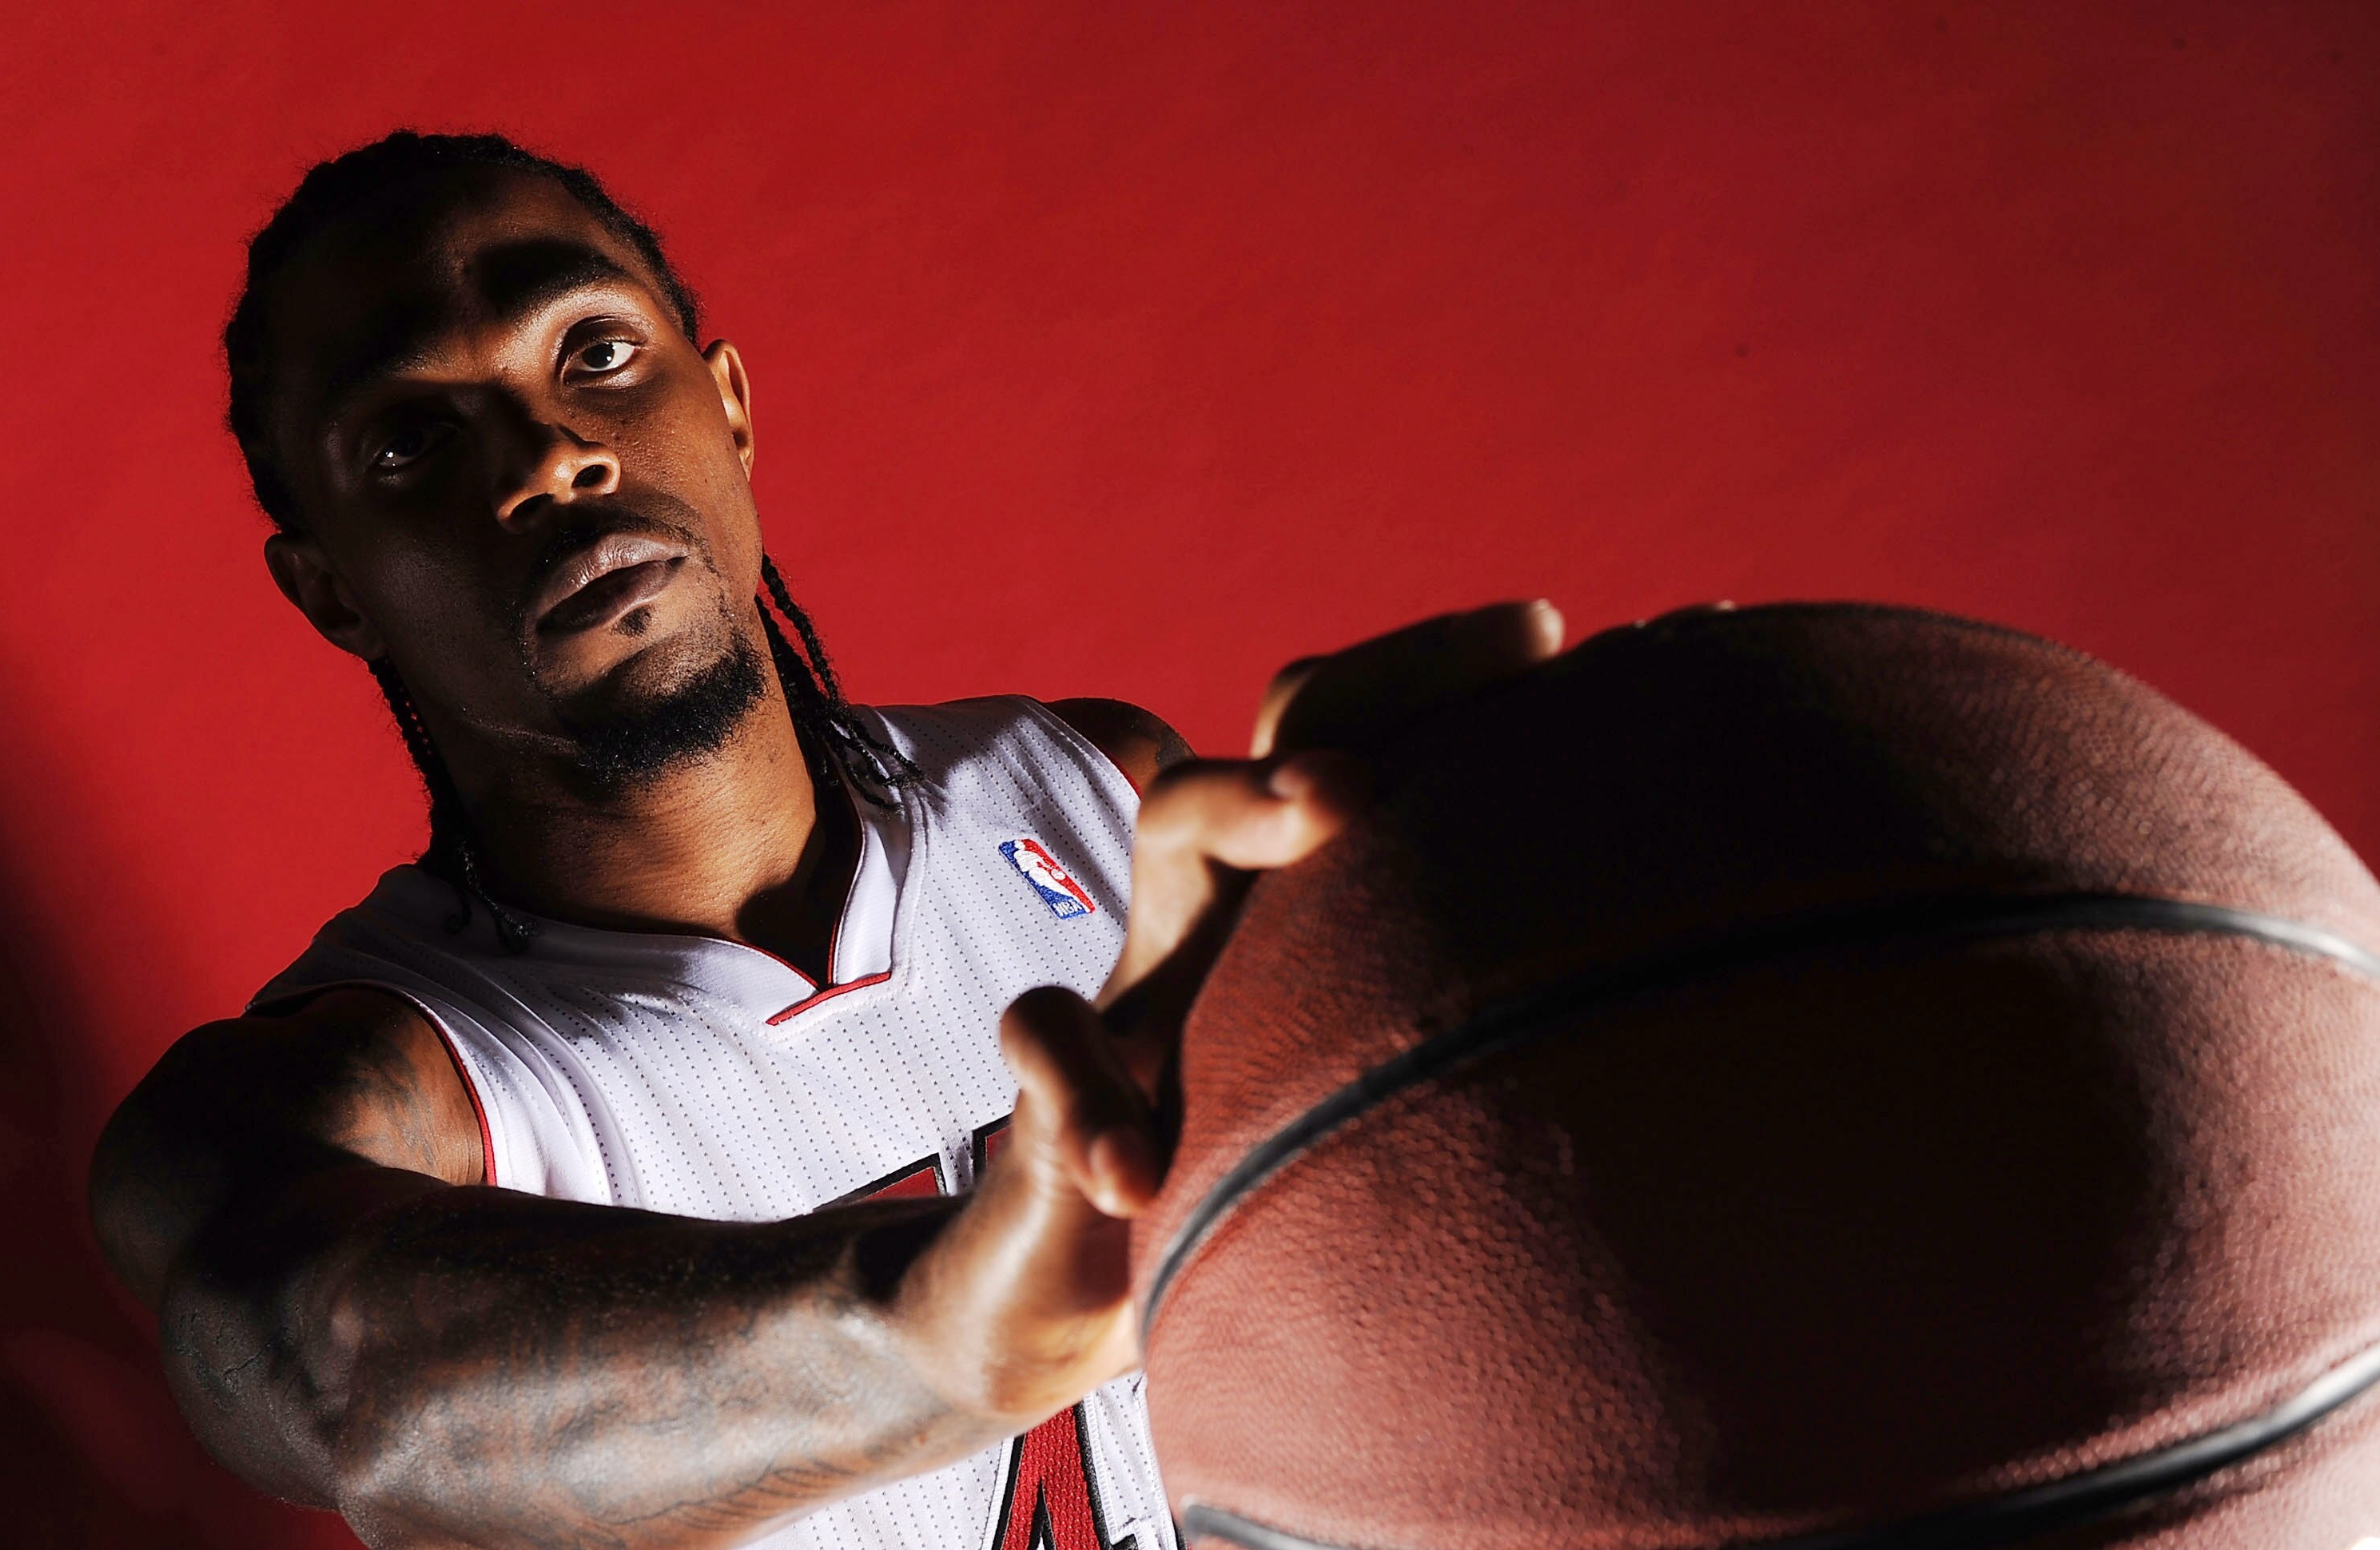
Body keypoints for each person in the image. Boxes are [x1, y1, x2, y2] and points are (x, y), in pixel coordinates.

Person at [88, 131, 1562, 1550]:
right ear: (331, 592)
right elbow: (320, 1370)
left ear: (728, 406)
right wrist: (939, 1333)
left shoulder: (1099, 804)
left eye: (596, 353)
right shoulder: (380, 1085)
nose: (549, 455)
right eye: (413, 440)